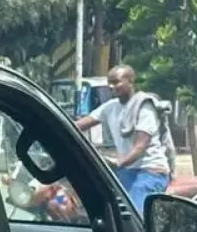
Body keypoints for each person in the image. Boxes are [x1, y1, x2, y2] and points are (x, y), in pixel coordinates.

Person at [74, 64, 173, 218]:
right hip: (125, 172)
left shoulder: (144, 107)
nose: (112, 87)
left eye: (117, 82)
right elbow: (79, 126)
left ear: (131, 81)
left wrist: (118, 163)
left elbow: (140, 146)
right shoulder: (109, 107)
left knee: (133, 217)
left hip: (148, 172)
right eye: (110, 83)